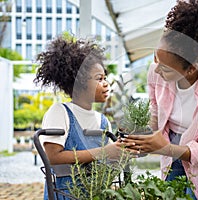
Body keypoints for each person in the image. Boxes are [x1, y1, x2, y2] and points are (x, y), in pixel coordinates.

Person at [122, 0, 198, 199]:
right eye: (155, 59)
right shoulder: (156, 71)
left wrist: (164, 148)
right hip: (171, 142)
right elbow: (156, 111)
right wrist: (140, 132)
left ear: (190, 69)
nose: (156, 69)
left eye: (164, 67)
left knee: (197, 194)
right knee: (167, 193)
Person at [34, 35, 133, 200]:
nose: (106, 83)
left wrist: (124, 149)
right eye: (99, 79)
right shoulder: (60, 112)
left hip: (98, 194)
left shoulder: (103, 121)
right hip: (65, 195)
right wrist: (103, 152)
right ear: (78, 83)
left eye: (105, 78)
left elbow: (109, 160)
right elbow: (52, 157)